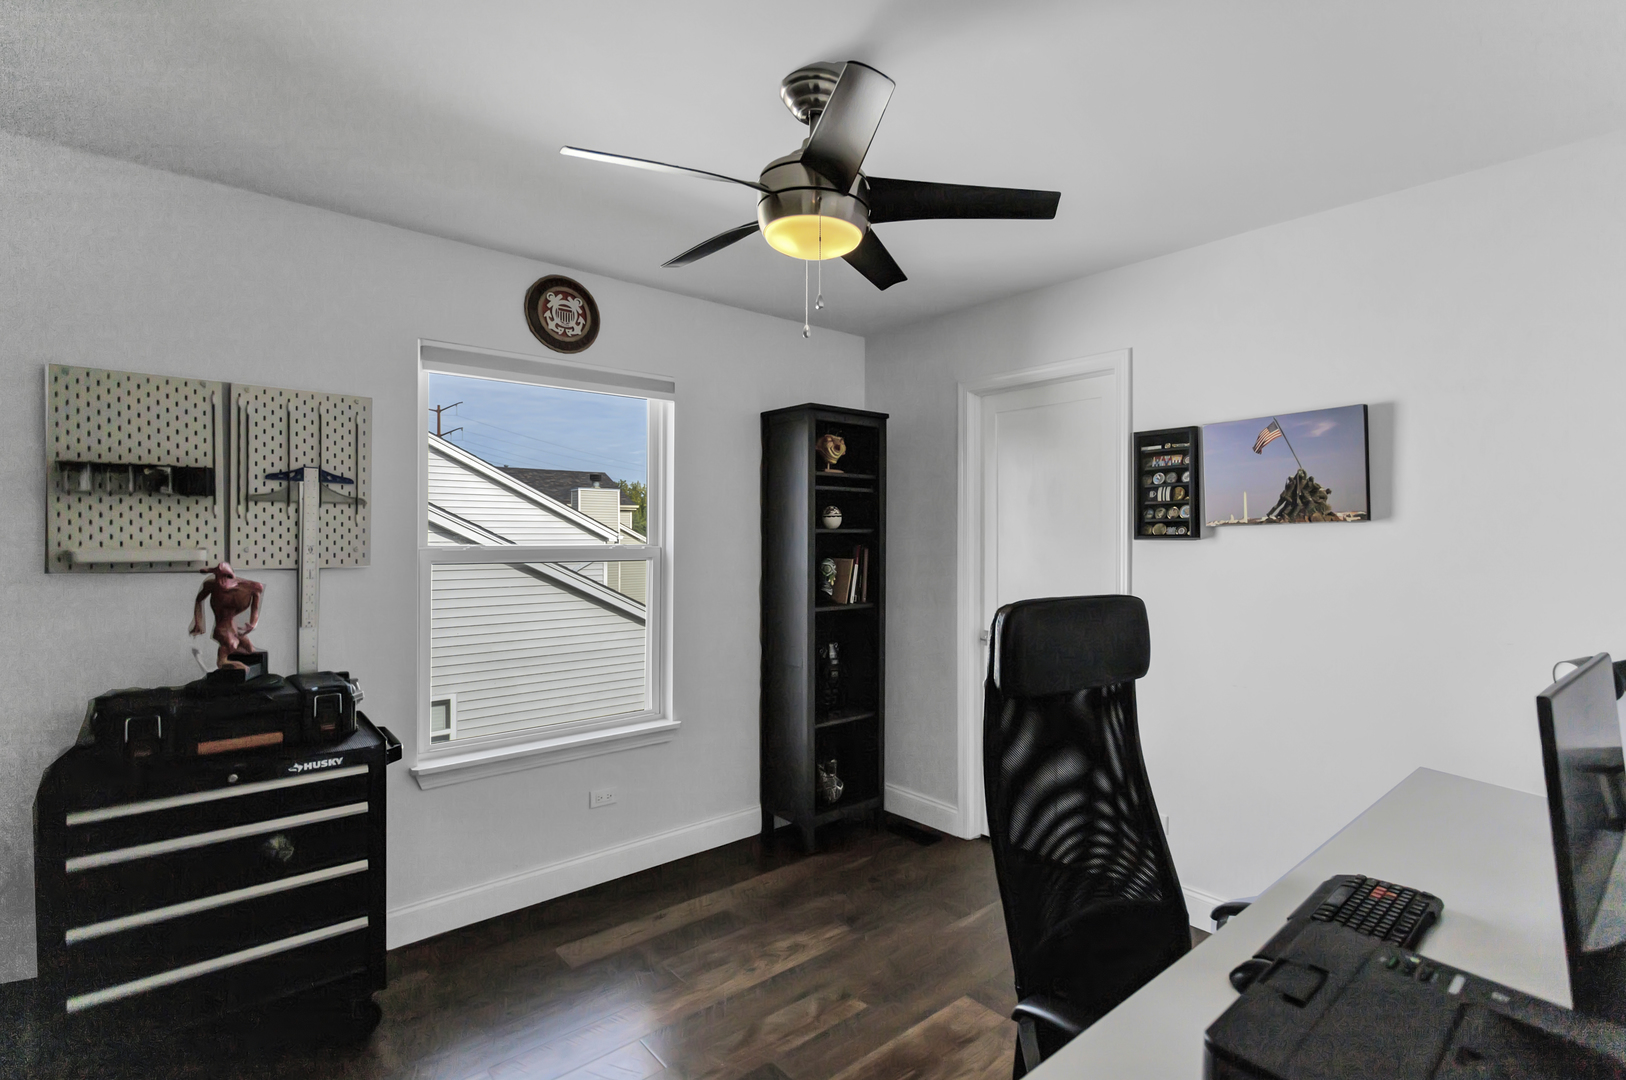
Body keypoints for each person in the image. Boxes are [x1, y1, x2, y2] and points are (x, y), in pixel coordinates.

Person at [190, 562, 264, 669]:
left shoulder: (251, 587)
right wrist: (198, 621)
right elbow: (199, 599)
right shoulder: (212, 586)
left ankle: (234, 665)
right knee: (230, 647)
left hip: (234, 627)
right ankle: (225, 663)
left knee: (250, 649)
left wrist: (253, 623)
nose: (222, 581)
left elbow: (255, 607)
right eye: (219, 577)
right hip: (223, 628)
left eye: (226, 577)